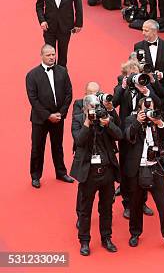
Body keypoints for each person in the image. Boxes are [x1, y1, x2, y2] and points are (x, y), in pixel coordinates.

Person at [124, 97, 164, 253]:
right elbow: (127, 136)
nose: (148, 110)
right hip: (137, 169)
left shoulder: (157, 120)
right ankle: (135, 233)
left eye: (151, 107)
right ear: (139, 109)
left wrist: (159, 122)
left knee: (163, 205)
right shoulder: (131, 119)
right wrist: (138, 121)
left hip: (155, 168)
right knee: (136, 204)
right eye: (145, 108)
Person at [70, 94, 122, 256]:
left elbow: (119, 135)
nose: (95, 110)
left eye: (97, 107)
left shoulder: (104, 117)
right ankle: (84, 241)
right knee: (85, 210)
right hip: (88, 172)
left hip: (106, 170)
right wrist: (87, 123)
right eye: (92, 108)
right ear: (85, 108)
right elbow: (78, 141)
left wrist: (107, 124)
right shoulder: (79, 119)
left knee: (106, 208)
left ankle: (106, 238)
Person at [25, 44, 74, 188]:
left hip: (58, 117)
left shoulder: (62, 71)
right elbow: (33, 99)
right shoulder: (32, 75)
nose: (52, 57)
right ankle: (35, 176)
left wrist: (61, 113)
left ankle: (61, 172)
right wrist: (48, 116)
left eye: (53, 54)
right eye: (48, 55)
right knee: (37, 148)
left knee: (58, 146)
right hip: (40, 119)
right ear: (41, 56)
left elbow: (68, 93)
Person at [35, 0, 83, 67]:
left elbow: (78, 5)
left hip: (65, 26)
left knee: (63, 55)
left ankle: (61, 78)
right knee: (49, 55)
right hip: (49, 26)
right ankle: (50, 76)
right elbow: (39, 5)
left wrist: (78, 23)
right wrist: (42, 20)